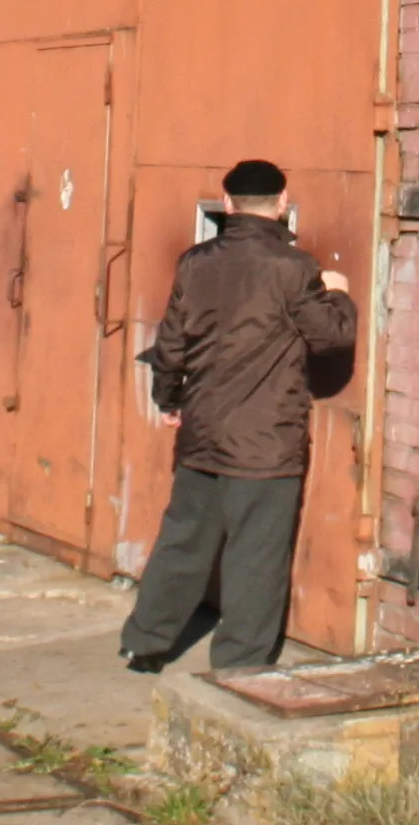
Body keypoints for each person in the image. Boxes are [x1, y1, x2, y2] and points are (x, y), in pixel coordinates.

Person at [118, 158, 356, 675]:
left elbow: (171, 344)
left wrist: (170, 400)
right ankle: (239, 666)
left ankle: (145, 643)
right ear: (282, 203)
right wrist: (337, 292)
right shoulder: (294, 268)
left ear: (226, 204)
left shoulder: (194, 263)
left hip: (202, 432)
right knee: (256, 555)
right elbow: (332, 336)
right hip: (265, 444)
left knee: (183, 540)